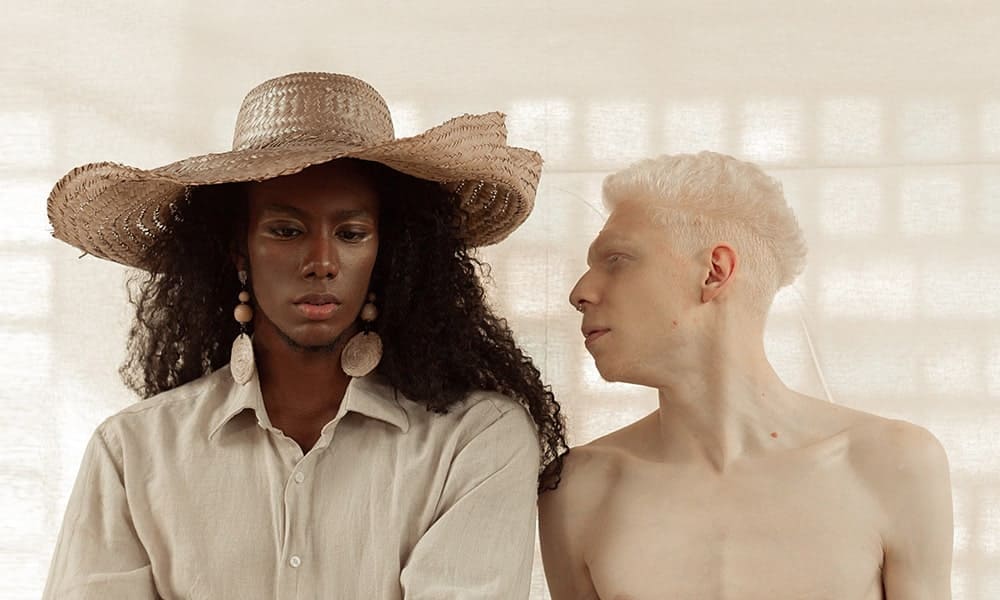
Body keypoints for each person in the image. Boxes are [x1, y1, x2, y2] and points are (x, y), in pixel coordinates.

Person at [43, 71, 567, 599]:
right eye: (286, 231)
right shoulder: (133, 451)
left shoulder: (475, 439)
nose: (322, 261)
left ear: (389, 251)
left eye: (351, 234)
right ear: (238, 249)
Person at [539, 151, 953, 599]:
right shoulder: (577, 490)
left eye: (616, 259)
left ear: (714, 273)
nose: (579, 292)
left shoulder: (892, 465)